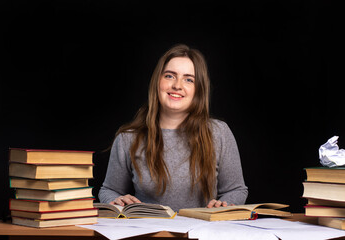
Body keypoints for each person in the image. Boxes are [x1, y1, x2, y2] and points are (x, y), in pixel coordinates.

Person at [99, 44, 248, 212]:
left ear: (198, 89)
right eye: (170, 76)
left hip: (202, 234)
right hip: (148, 232)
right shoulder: (128, 138)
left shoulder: (219, 133)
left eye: (188, 79)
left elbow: (236, 190)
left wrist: (225, 204)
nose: (177, 85)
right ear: (157, 81)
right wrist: (115, 200)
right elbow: (109, 190)